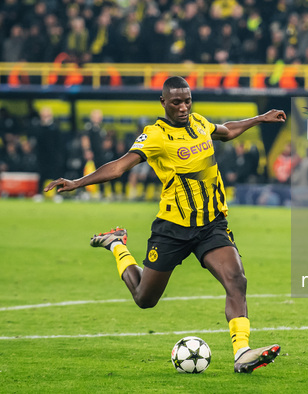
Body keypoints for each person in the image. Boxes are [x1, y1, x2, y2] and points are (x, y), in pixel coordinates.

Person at [45, 76, 286, 373]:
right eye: (176, 102)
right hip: (172, 228)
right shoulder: (155, 136)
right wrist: (78, 182)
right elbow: (119, 166)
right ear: (163, 102)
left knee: (236, 280)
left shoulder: (199, 123)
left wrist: (260, 119)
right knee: (145, 299)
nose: (183, 107)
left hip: (211, 224)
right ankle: (117, 244)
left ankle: (242, 353)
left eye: (187, 101)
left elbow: (226, 131)